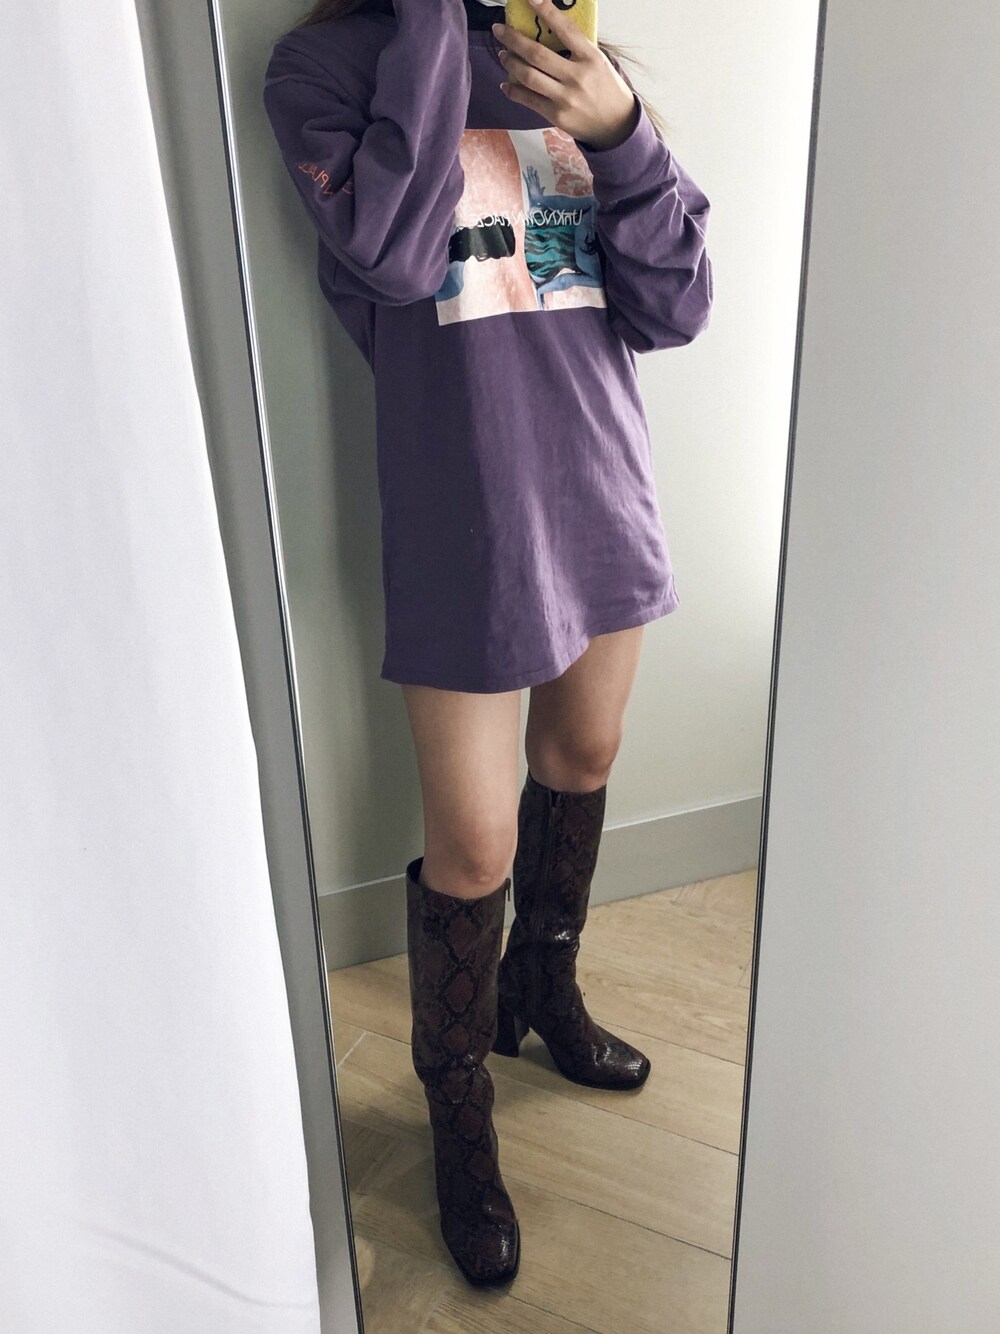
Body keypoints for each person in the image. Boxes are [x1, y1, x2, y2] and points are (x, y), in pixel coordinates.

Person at [263, 0, 713, 1288]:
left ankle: (542, 990)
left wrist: (617, 129)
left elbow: (675, 307)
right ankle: (457, 1109)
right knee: (473, 844)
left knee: (584, 758)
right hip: (463, 513)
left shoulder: (571, 56)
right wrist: (428, 25)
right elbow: (397, 260)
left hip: (600, 482)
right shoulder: (324, 67)